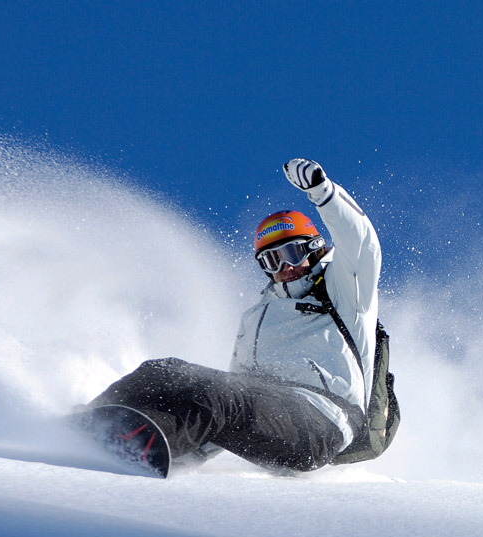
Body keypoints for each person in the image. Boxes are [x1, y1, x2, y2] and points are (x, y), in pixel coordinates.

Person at [85, 158, 382, 471]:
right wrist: (192, 458)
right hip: (268, 409)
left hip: (324, 421)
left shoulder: (346, 291)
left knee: (222, 396)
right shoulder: (256, 318)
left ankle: (137, 452)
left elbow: (363, 244)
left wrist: (324, 193)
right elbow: (235, 395)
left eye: (291, 254)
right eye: (271, 261)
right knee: (161, 371)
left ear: (314, 248)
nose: (284, 268)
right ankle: (92, 424)